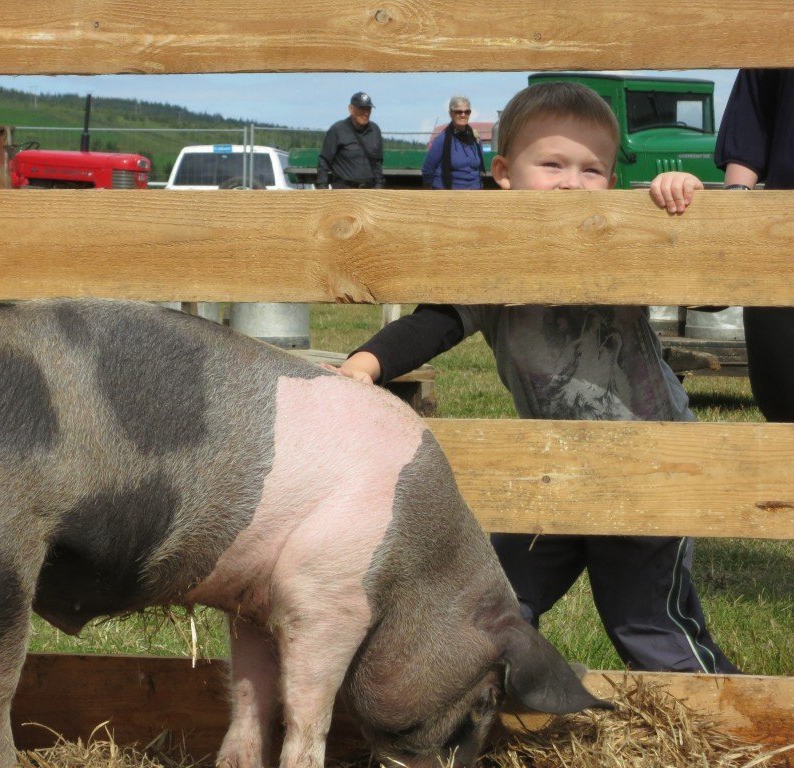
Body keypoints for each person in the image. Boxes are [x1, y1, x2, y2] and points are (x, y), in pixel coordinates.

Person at [331, 81, 738, 674]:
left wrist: (683, 204)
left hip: (648, 465)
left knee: (647, 623)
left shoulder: (622, 241)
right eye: (552, 164)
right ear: (503, 172)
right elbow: (436, 321)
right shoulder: (496, 261)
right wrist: (363, 365)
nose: (573, 183)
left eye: (592, 169)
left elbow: (709, 293)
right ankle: (494, 713)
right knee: (495, 606)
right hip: (549, 468)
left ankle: (729, 731)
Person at [713, 69, 794, 423]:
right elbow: (754, 106)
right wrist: (737, 213)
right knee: (783, 394)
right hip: (782, 233)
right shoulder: (777, 19)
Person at [316, 92, 385, 189]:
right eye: (362, 108)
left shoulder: (375, 130)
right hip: (344, 192)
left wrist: (379, 186)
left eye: (368, 109)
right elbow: (324, 161)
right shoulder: (337, 129)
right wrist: (322, 188)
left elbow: (377, 163)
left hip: (369, 193)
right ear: (351, 109)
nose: (366, 113)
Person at [421, 96, 485, 189]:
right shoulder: (442, 140)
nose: (463, 115)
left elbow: (479, 170)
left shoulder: (475, 139)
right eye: (459, 112)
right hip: (449, 195)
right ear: (451, 114)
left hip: (474, 195)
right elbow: (427, 170)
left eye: (467, 112)